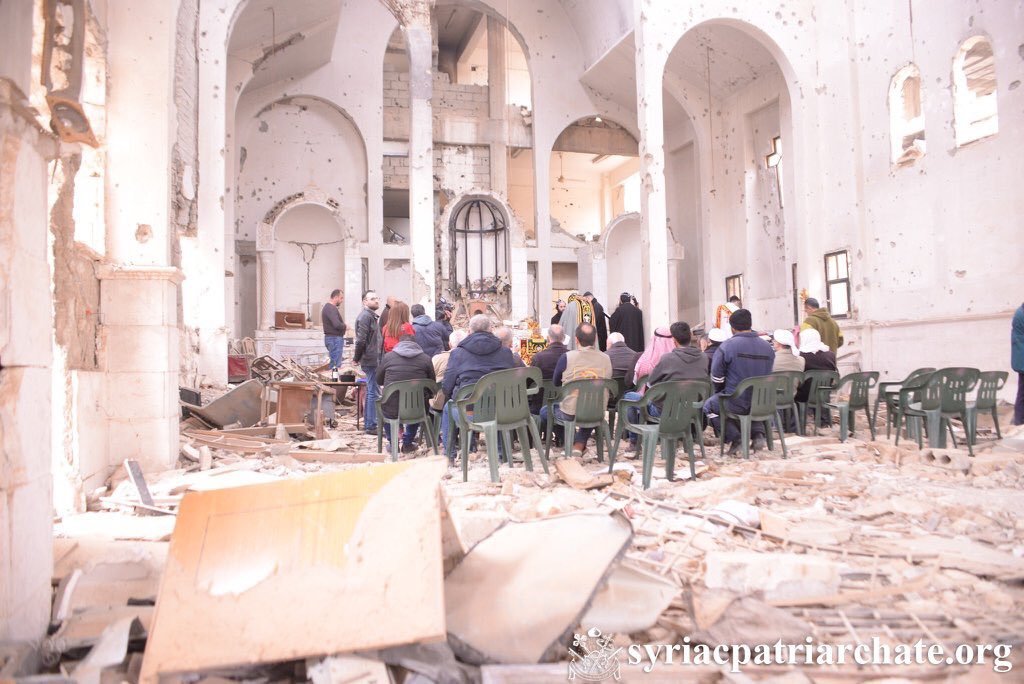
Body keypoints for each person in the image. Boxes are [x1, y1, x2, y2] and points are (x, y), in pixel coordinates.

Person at [622, 322, 706, 449]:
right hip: (692, 409)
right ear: (690, 335)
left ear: (674, 340)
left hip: (664, 411)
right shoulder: (703, 357)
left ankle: (634, 441)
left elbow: (651, 384)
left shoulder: (667, 359)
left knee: (628, 396)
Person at [441, 314, 518, 452]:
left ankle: (449, 455)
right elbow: (511, 381)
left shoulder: (458, 353)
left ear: (469, 331)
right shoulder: (506, 352)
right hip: (501, 411)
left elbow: (447, 386)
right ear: (491, 330)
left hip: (469, 412)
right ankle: (501, 453)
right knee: (497, 396)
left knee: (448, 406)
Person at [703, 308, 776, 455]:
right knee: (750, 398)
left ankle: (736, 438)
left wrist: (720, 391)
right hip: (763, 402)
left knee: (709, 406)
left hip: (736, 401)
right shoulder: (768, 347)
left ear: (732, 328)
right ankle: (758, 434)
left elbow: (717, 377)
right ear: (750, 324)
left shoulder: (727, 346)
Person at [542, 323, 612, 457]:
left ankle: (574, 442)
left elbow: (556, 382)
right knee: (588, 409)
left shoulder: (567, 357)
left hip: (571, 411)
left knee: (546, 411)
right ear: (596, 338)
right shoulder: (606, 358)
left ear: (576, 339)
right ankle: (579, 444)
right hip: (597, 409)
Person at [376, 333, 435, 454]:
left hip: (392, 408)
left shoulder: (388, 357)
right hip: (417, 409)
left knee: (384, 406)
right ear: (416, 345)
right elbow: (432, 384)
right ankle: (407, 443)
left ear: (398, 344)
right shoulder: (426, 358)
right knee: (419, 402)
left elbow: (378, 380)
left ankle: (393, 444)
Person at [796, 328, 838, 429]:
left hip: (805, 395)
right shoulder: (831, 355)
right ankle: (824, 422)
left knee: (795, 391)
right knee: (820, 391)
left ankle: (798, 424)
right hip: (824, 393)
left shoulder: (800, 356)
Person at [353, 290, 382, 434]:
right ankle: (371, 425)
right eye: (372, 299)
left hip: (373, 358)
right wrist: (356, 358)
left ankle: (371, 423)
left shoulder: (371, 316)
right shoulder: (365, 317)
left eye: (377, 298)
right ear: (365, 302)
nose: (376, 301)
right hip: (370, 359)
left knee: (373, 390)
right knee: (372, 391)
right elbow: (361, 340)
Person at [529, 324, 568, 414]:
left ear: (547, 338)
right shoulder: (571, 356)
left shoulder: (538, 358)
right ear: (564, 338)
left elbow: (530, 382)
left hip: (540, 405)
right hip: (565, 404)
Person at [430, 329, 467, 413]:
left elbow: (431, 379)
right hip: (465, 401)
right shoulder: (470, 359)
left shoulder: (437, 359)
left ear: (449, 344)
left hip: (440, 402)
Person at [321, 288, 346, 370]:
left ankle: (334, 380)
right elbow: (337, 324)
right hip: (334, 339)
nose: (342, 300)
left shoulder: (329, 308)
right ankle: (334, 382)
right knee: (335, 365)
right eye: (341, 298)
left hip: (333, 339)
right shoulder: (330, 308)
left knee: (335, 363)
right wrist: (345, 326)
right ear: (336, 297)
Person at [1013, 302, 1024, 426]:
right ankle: (1019, 422)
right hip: (1022, 360)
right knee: (1022, 394)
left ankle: (1019, 421)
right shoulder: (1021, 315)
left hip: (1021, 360)